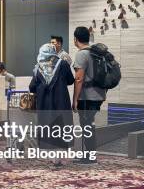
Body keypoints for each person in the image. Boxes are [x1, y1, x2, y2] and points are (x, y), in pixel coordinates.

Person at [29, 43, 75, 166]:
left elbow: (32, 87)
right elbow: (70, 80)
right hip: (61, 102)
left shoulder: (37, 67)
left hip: (44, 104)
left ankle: (52, 157)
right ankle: (60, 158)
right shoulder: (63, 64)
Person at [72, 26, 106, 164]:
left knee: (86, 125)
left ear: (75, 39)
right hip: (98, 95)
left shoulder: (81, 54)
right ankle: (88, 154)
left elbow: (79, 79)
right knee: (88, 125)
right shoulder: (96, 52)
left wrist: (75, 100)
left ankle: (90, 157)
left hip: (87, 97)